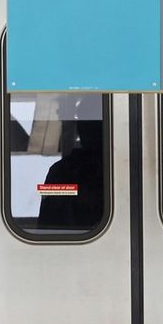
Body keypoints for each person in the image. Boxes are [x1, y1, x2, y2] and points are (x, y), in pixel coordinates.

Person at [38, 97, 104, 230]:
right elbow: (49, 226)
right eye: (84, 122)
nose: (87, 129)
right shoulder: (62, 171)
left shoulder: (60, 170)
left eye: (93, 123)